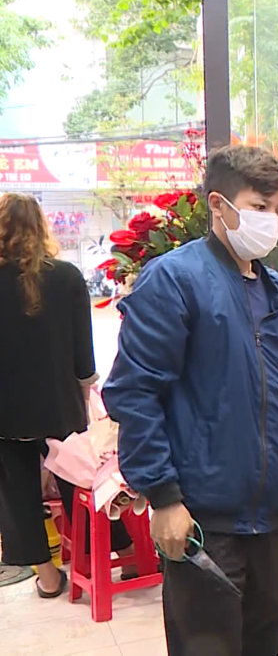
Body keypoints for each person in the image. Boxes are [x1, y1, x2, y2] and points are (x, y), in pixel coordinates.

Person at [104, 146, 278, 656]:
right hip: (201, 518)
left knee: (263, 642)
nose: (271, 221)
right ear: (218, 205)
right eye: (258, 207)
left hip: (268, 514)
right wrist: (164, 498)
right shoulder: (175, 281)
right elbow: (135, 392)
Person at [0, 193, 137, 598]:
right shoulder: (66, 276)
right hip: (59, 403)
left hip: (5, 409)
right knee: (80, 481)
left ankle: (48, 577)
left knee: (15, 491)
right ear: (41, 226)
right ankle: (123, 555)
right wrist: (85, 391)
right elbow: (83, 352)